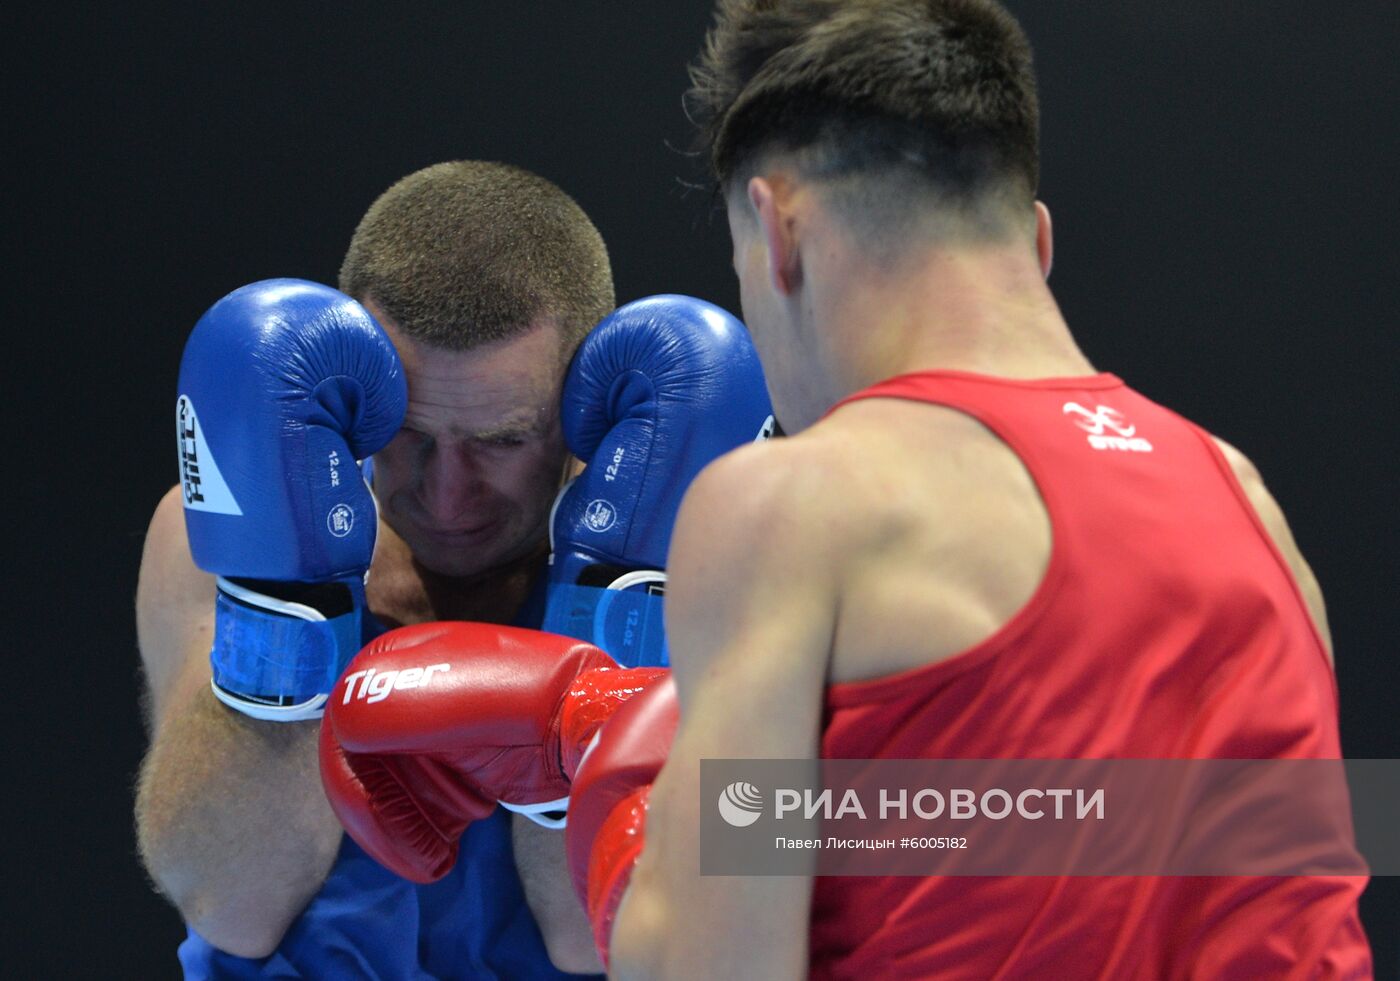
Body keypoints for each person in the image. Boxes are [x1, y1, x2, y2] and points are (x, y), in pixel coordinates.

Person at [311, 3, 1375, 978]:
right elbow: (1137, 830)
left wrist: (622, 790)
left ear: (777, 236)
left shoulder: (793, 506)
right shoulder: (1241, 504)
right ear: (1035, 242)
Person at [135, 160, 620, 977]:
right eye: (408, 433)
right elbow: (230, 902)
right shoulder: (215, 528)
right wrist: (288, 597)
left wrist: (598, 629)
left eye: (502, 439)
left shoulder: (676, 551)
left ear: (582, 407)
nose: (447, 491)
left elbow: (592, 935)